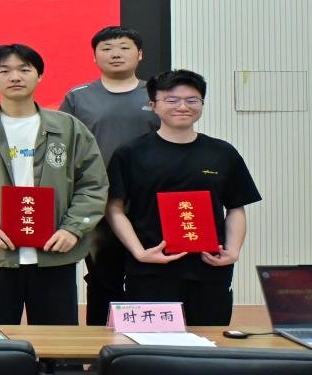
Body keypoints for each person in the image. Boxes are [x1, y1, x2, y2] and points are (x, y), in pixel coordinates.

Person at [0, 44, 107, 325]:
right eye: (4, 71)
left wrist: (73, 228)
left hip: (55, 253)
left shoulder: (69, 128)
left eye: (24, 69)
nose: (15, 77)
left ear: (39, 75)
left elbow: (93, 184)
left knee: (58, 340)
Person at [106, 69, 261, 326]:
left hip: (210, 268)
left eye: (192, 100)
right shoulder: (131, 153)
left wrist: (233, 250)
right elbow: (114, 208)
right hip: (150, 269)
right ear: (153, 105)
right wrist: (139, 252)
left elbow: (236, 207)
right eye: (172, 100)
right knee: (149, 344)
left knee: (210, 342)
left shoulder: (222, 152)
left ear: (202, 104)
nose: (182, 107)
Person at [59, 26, 160, 325]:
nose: (116, 53)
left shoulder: (158, 95)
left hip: (149, 202)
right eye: (107, 48)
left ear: (139, 54)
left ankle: (148, 342)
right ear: (94, 57)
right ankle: (100, 343)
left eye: (124, 47)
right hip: (98, 202)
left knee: (150, 272)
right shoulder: (78, 97)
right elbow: (63, 148)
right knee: (103, 276)